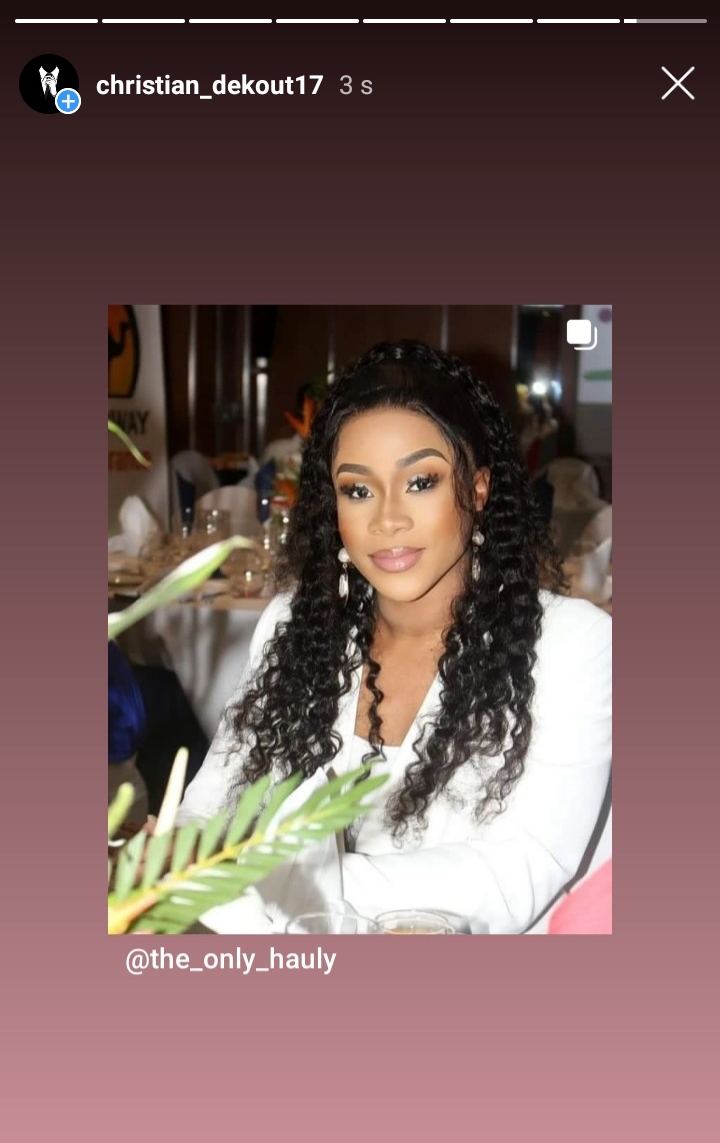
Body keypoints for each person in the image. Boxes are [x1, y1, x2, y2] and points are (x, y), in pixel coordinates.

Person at [176, 340, 611, 933]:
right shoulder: (294, 626)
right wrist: (177, 856)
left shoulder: (573, 645)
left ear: (478, 488)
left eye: (421, 482)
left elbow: (513, 877)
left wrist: (265, 884)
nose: (387, 519)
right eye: (357, 490)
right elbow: (209, 804)